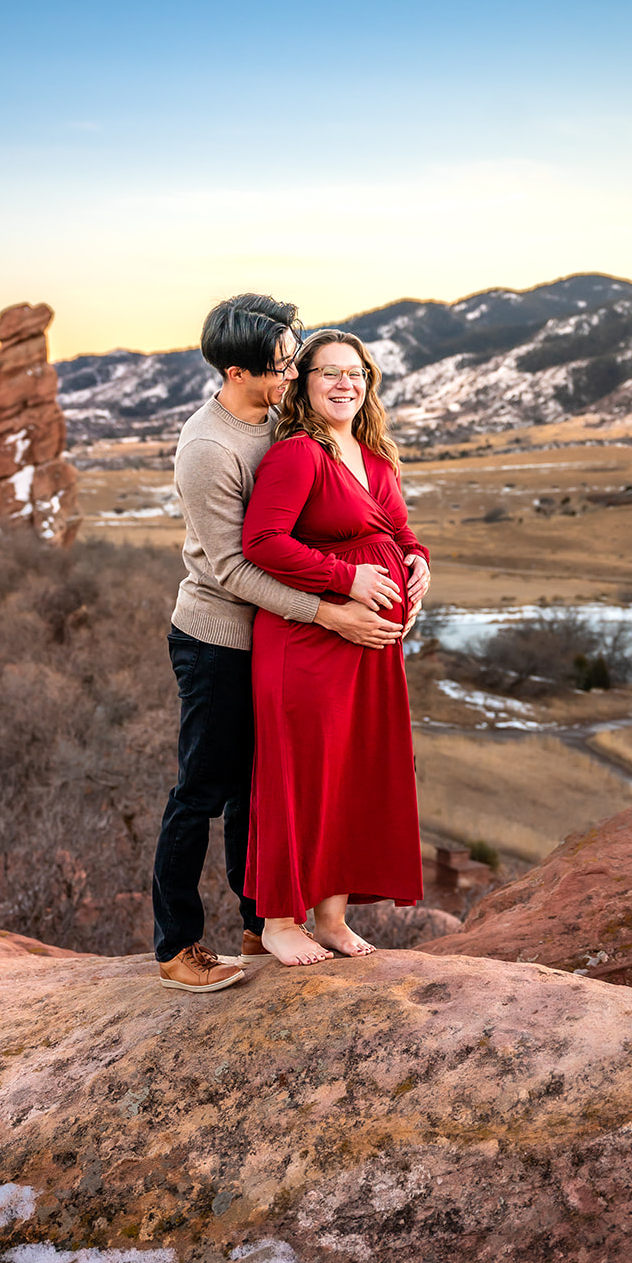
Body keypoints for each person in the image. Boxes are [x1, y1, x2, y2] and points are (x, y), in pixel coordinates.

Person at [152, 295, 404, 993]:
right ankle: (176, 946)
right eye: (282, 364)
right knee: (203, 791)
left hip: (276, 634)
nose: (294, 373)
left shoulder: (275, 421)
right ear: (236, 372)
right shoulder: (208, 449)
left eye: (295, 359)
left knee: (257, 791)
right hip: (216, 637)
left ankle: (258, 922)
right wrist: (331, 611)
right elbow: (235, 567)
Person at [241, 328, 431, 966]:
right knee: (302, 775)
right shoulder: (298, 454)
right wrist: (346, 579)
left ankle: (330, 918)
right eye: (329, 372)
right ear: (304, 382)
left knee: (351, 773)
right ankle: (278, 921)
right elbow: (262, 542)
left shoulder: (375, 455)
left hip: (371, 646)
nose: (344, 383)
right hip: (309, 642)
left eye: (355, 373)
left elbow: (398, 531)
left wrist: (417, 561)